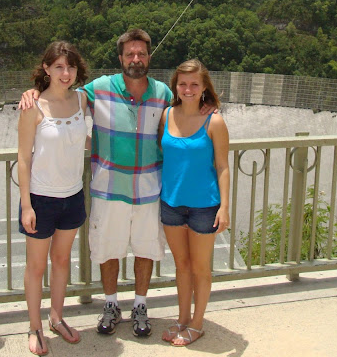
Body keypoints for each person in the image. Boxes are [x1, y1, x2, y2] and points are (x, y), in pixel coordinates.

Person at [20, 29, 176, 337]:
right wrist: (33, 92)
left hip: (149, 188)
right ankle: (111, 304)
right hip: (108, 189)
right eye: (130, 54)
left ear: (149, 57)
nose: (135, 59)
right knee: (107, 249)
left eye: (141, 53)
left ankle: (140, 305)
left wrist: (209, 105)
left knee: (145, 249)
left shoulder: (163, 93)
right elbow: (59, 90)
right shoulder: (99, 89)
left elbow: (188, 108)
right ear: (120, 58)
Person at [18, 41, 89, 355]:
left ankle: (56, 317)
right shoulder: (32, 106)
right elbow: (23, 158)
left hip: (72, 195)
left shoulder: (81, 99)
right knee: (36, 267)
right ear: (46, 68)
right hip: (41, 198)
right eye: (59, 66)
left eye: (70, 66)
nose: (65, 73)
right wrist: (26, 205)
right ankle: (34, 326)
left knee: (61, 261)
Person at [159, 59, 230, 347]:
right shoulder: (166, 115)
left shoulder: (214, 121)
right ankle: (182, 318)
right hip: (171, 203)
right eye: (182, 84)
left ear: (204, 88)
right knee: (181, 265)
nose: (188, 89)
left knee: (200, 268)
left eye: (194, 84)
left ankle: (197, 324)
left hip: (204, 206)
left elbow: (222, 166)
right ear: (175, 86)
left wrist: (224, 207)